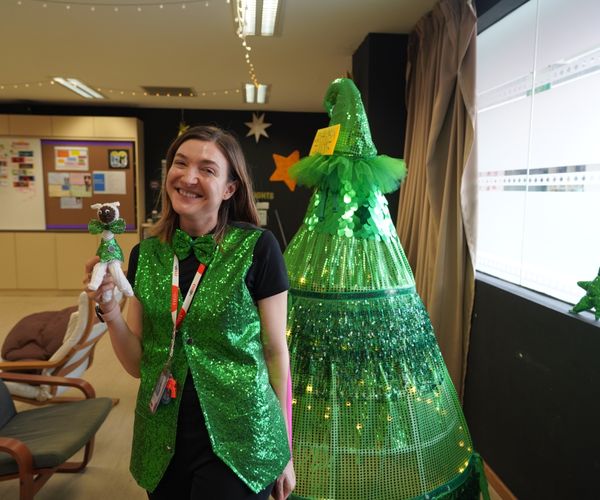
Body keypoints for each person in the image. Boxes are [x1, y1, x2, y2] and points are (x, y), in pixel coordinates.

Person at [84, 125, 295, 500]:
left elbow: (276, 352)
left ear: (229, 188)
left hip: (243, 436)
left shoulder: (258, 248)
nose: (188, 177)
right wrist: (110, 310)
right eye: (180, 163)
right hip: (161, 435)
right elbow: (137, 365)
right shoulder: (145, 255)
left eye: (207, 169)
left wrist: (284, 448)